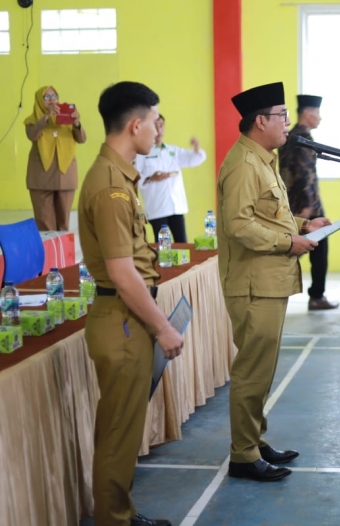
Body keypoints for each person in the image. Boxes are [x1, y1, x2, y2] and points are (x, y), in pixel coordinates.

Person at [78, 81, 184, 526]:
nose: (158, 132)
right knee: (119, 433)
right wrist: (162, 326)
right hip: (121, 322)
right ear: (135, 124)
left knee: (122, 431)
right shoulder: (111, 188)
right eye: (154, 122)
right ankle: (113, 520)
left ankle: (120, 513)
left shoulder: (121, 177)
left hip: (125, 319)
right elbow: (124, 273)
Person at [217, 82, 331, 482]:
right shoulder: (244, 165)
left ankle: (255, 440)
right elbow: (238, 225)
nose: (288, 123)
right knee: (252, 371)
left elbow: (269, 216)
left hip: (268, 280)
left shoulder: (263, 158)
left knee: (262, 370)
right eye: (282, 115)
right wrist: (290, 241)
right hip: (253, 284)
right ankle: (243, 455)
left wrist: (304, 224)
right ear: (260, 121)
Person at [278, 94, 338, 310]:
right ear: (308, 113)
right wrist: (309, 208)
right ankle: (316, 296)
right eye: (318, 114)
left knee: (295, 249)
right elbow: (305, 175)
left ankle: (281, 289)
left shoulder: (288, 136)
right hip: (306, 206)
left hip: (290, 204)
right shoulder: (304, 139)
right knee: (316, 251)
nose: (319, 119)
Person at [134, 114, 207, 242]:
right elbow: (135, 177)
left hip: (176, 207)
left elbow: (195, 159)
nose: (159, 128)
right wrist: (151, 178)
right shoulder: (142, 153)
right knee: (163, 248)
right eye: (155, 124)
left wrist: (196, 148)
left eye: (161, 124)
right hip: (157, 209)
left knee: (182, 244)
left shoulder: (172, 151)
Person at [24, 85, 87, 231]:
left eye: (54, 97)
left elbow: (82, 139)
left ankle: (63, 253)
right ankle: (48, 253)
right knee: (44, 222)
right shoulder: (32, 120)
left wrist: (76, 123)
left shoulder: (67, 118)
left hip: (65, 176)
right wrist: (46, 116)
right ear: (40, 100)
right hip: (41, 178)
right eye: (47, 97)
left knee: (64, 222)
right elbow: (32, 135)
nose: (52, 101)